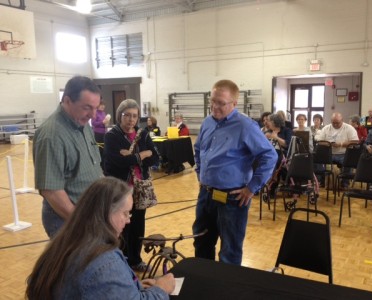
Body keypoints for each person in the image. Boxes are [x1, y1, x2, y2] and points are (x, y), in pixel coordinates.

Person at [26, 177, 175, 299]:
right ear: (107, 213)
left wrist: (132, 286)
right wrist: (161, 289)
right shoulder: (103, 260)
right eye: (125, 213)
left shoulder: (64, 241)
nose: (129, 219)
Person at [192, 79, 277, 265]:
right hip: (206, 195)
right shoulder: (208, 122)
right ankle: (203, 286)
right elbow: (198, 149)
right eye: (212, 101)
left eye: (220, 103)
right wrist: (200, 173)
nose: (214, 106)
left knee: (229, 252)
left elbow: (269, 156)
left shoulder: (245, 126)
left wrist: (252, 187)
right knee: (201, 242)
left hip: (232, 198)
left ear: (234, 103)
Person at [33, 76, 103, 238]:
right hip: (67, 220)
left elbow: (93, 167)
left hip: (89, 214)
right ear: (67, 101)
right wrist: (82, 223)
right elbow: (52, 191)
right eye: (87, 107)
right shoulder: (51, 135)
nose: (93, 114)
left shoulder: (83, 124)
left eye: (95, 108)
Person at [104, 99, 159, 272]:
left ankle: (135, 259)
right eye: (127, 115)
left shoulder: (142, 134)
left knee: (138, 225)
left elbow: (156, 158)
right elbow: (117, 162)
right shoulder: (112, 136)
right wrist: (142, 154)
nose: (131, 120)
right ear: (120, 115)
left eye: (134, 116)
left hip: (139, 190)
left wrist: (135, 155)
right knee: (121, 227)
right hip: (120, 189)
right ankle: (120, 262)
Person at [315, 112, 359, 187]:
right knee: (317, 160)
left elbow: (355, 142)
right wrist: (329, 144)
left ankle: (345, 183)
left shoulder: (349, 128)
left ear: (342, 120)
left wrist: (341, 144)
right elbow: (319, 141)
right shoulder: (326, 128)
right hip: (329, 154)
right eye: (333, 123)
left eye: (337, 123)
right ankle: (321, 181)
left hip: (344, 154)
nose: (335, 124)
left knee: (349, 162)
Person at [265, 113, 293, 197]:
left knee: (276, 158)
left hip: (282, 154)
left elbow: (287, 144)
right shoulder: (267, 132)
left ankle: (272, 183)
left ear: (274, 122)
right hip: (269, 154)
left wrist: (276, 137)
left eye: (268, 121)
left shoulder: (287, 131)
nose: (266, 122)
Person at [91, 100, 111, 170]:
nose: (103, 106)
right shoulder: (95, 113)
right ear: (98, 105)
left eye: (103, 105)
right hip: (97, 133)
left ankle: (103, 166)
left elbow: (105, 123)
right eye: (101, 105)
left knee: (104, 150)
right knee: (99, 150)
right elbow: (93, 123)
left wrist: (107, 123)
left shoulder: (103, 113)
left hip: (104, 133)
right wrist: (102, 122)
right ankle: (99, 166)